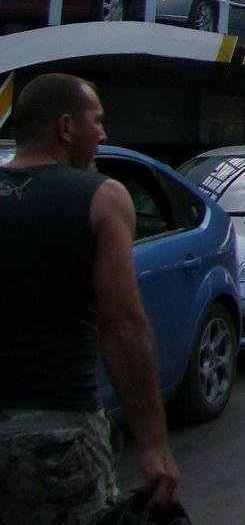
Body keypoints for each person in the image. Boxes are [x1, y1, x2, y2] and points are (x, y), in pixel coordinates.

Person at [0, 74, 182, 520]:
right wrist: (153, 444)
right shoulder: (101, 198)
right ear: (66, 127)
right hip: (55, 435)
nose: (102, 133)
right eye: (96, 121)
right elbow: (122, 324)